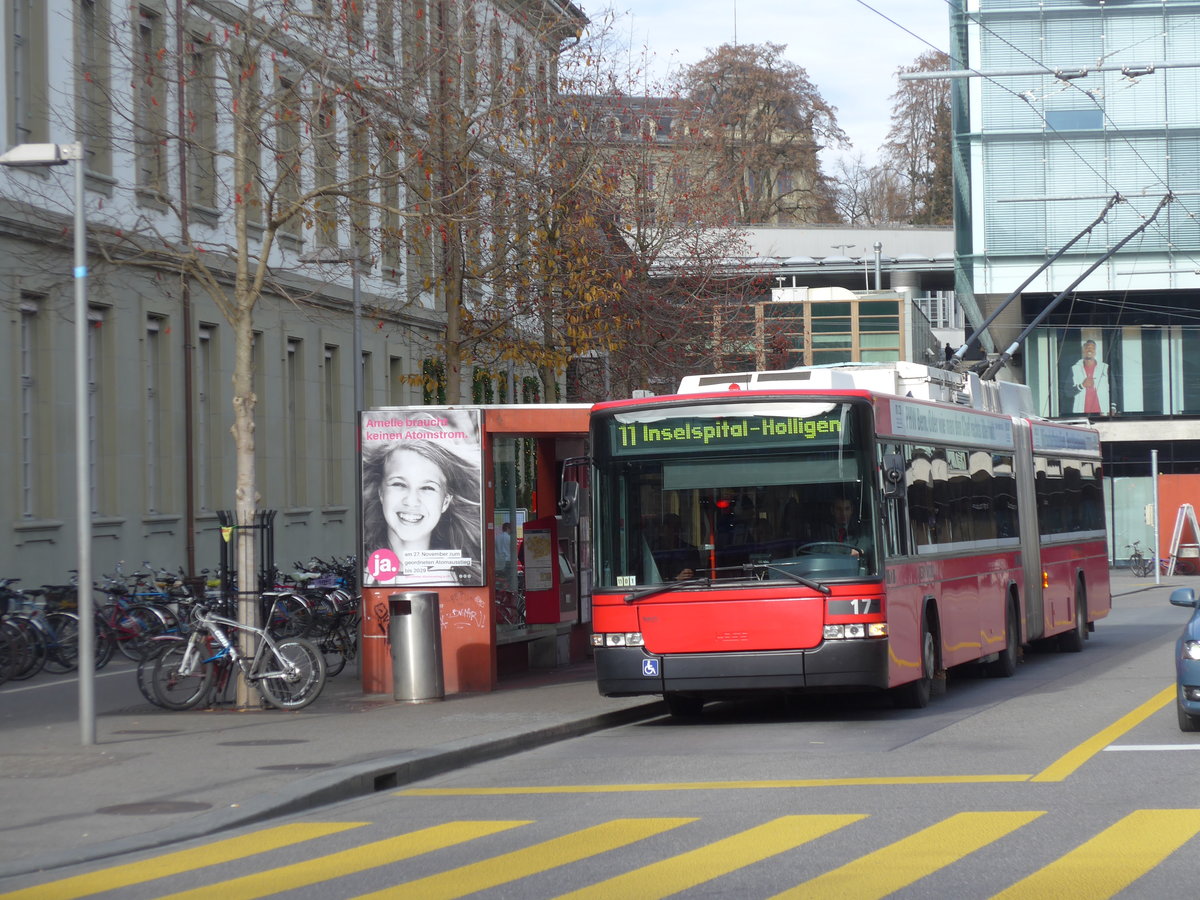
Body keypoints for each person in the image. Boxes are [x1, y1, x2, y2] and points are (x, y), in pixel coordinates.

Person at [362, 439, 483, 586]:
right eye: (399, 484)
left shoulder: (465, 580)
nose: (411, 501)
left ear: (445, 501)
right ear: (381, 493)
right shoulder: (364, 577)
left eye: (427, 488)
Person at [651, 513, 702, 581]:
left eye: (676, 527)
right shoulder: (653, 549)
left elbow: (700, 576)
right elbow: (650, 579)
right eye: (669, 526)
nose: (673, 530)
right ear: (663, 528)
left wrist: (689, 574)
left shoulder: (690, 550)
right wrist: (675, 579)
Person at [1071, 340, 1110, 415]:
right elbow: (1066, 392)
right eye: (1087, 348)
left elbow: (1113, 389)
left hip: (1102, 412)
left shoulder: (1105, 367)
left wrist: (1113, 406)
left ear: (1095, 352)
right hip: (1081, 412)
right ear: (1083, 351)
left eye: (1092, 348)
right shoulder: (1074, 369)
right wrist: (1082, 385)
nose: (1089, 349)